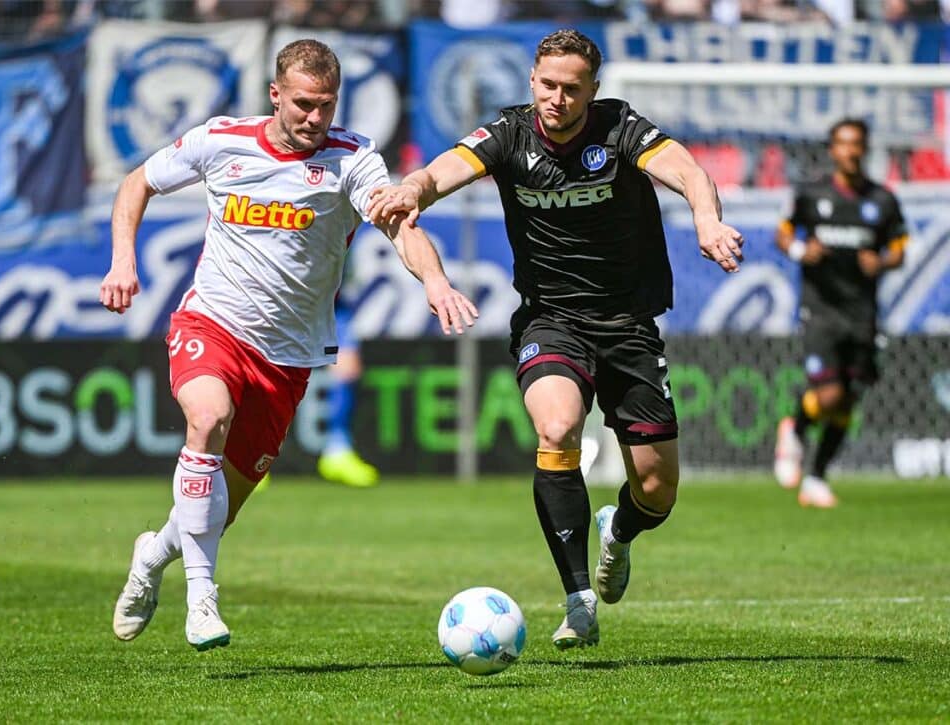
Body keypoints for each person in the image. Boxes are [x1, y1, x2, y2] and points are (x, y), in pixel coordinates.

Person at [368, 28, 742, 649]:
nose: (557, 99)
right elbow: (440, 173)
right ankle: (578, 599)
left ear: (593, 91)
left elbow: (687, 170)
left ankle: (617, 534)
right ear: (532, 81)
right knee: (557, 428)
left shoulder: (620, 127)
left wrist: (706, 218)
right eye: (547, 85)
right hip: (551, 319)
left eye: (572, 89)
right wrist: (411, 189)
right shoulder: (508, 134)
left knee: (656, 490)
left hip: (627, 323)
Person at [101, 38, 477, 652]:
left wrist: (434, 280)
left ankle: (152, 556)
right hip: (213, 324)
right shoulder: (221, 140)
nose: (314, 118)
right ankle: (202, 601)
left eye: (326, 105)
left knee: (218, 511)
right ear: (275, 94)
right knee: (207, 417)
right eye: (303, 104)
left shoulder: (353, 159)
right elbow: (135, 184)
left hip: (289, 357)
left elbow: (400, 227)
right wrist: (123, 261)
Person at [773, 118, 908, 508]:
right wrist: (801, 250)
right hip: (821, 309)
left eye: (856, 144)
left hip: (862, 313)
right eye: (842, 144)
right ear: (833, 150)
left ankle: (816, 477)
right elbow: (783, 233)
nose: (850, 151)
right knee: (829, 396)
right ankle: (795, 428)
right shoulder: (811, 194)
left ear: (864, 149)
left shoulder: (883, 200)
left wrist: (882, 262)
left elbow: (899, 249)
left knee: (848, 399)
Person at [316, 289, 380, 487]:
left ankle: (337, 451)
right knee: (272, 368)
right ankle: (254, 456)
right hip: (282, 298)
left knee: (347, 368)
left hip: (331, 301)